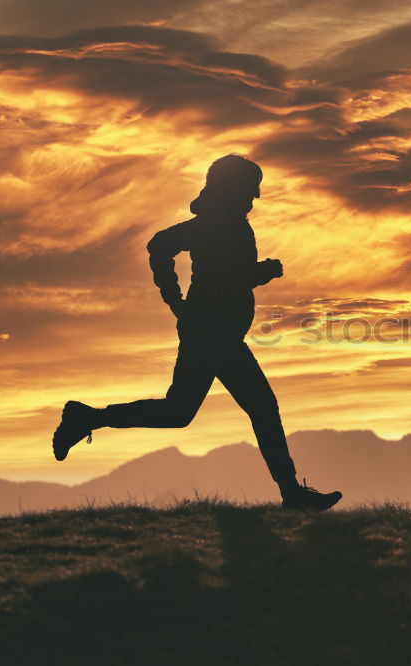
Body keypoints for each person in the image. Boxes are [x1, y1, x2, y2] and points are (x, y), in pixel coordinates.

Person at [51, 155, 341, 511]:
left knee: (180, 412)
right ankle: (291, 493)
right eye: (250, 190)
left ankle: (88, 417)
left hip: (212, 332)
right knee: (261, 407)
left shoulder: (225, 224)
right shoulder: (215, 225)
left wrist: (186, 299)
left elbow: (210, 266)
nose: (255, 198)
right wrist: (256, 274)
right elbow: (201, 266)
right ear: (231, 190)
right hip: (212, 333)